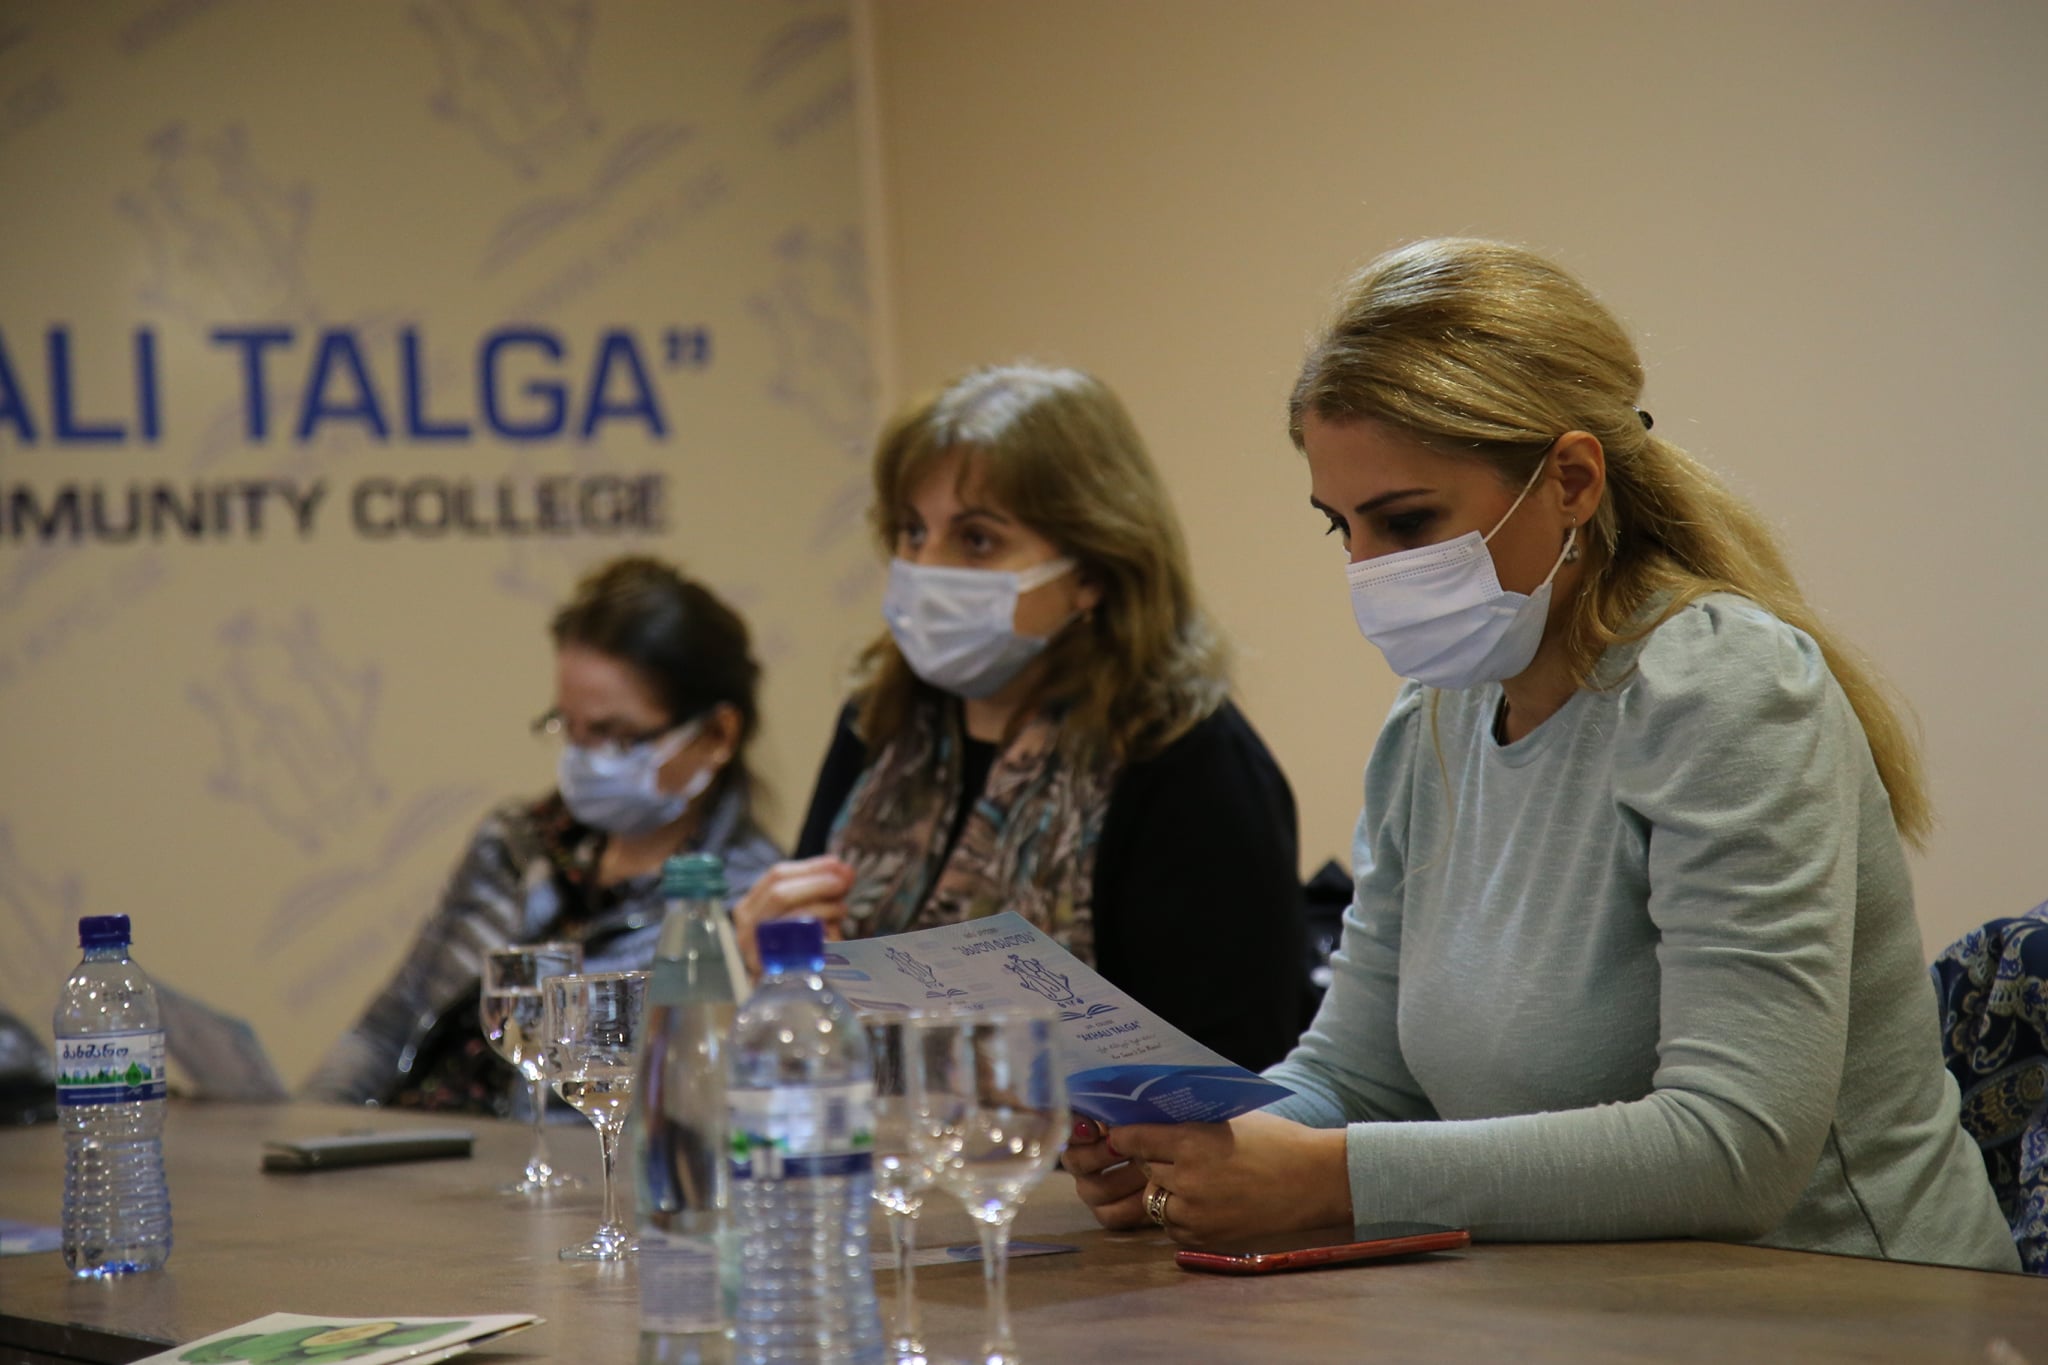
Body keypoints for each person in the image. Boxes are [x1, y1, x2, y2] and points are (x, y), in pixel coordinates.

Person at [1065, 238, 2020, 1273]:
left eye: (1406, 522)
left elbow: (1737, 1148)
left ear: (1570, 480)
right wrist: (1199, 1149)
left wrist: (1323, 1178)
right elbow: (1360, 1075)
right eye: (1341, 528)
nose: (1367, 571)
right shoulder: (1432, 719)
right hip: (1590, 1306)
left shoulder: (1724, 691)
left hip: (1853, 1303)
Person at [734, 363, 1307, 1072]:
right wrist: (772, 963)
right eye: (912, 531)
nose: (924, 567)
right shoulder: (879, 723)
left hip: (1086, 1147)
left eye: (976, 540)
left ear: (1091, 570)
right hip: (863, 1134)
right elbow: (807, 1003)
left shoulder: (1187, 758)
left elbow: (1233, 1065)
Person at [305, 556, 781, 1111]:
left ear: (717, 735)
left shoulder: (740, 908)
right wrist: (302, 1130)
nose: (583, 758)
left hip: (552, 1164)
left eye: (615, 736)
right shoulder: (514, 843)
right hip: (404, 1145)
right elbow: (384, 1032)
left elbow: (671, 1113)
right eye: (569, 728)